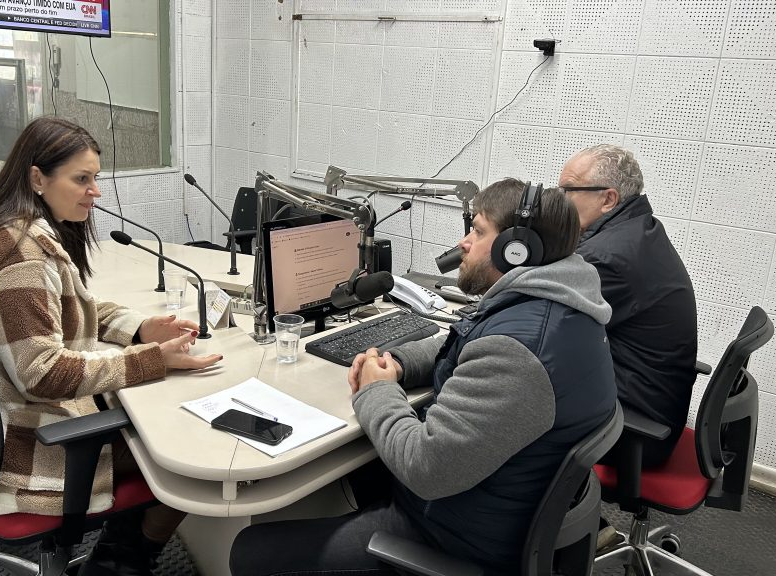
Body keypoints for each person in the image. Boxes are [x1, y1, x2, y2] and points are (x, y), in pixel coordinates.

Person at [229, 179, 617, 575]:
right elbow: (466, 341)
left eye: (478, 231)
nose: (464, 242)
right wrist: (398, 363)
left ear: (516, 249)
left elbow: (425, 468)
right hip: (495, 505)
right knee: (353, 461)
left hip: (453, 540)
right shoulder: (561, 309)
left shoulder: (518, 352)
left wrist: (376, 390)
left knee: (250, 551)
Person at [0, 117, 222, 576]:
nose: (96, 192)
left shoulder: (17, 230)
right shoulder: (19, 259)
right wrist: (152, 361)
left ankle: (120, 550)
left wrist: (140, 328)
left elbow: (74, 307)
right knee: (191, 452)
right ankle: (121, 561)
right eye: (82, 179)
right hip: (35, 438)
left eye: (96, 178)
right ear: (37, 178)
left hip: (15, 416)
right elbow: (44, 374)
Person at [558, 144, 698, 469]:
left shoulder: (608, 257)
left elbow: (546, 328)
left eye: (568, 190)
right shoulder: (636, 230)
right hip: (649, 407)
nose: (559, 201)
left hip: (630, 430)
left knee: (510, 406)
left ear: (608, 199)